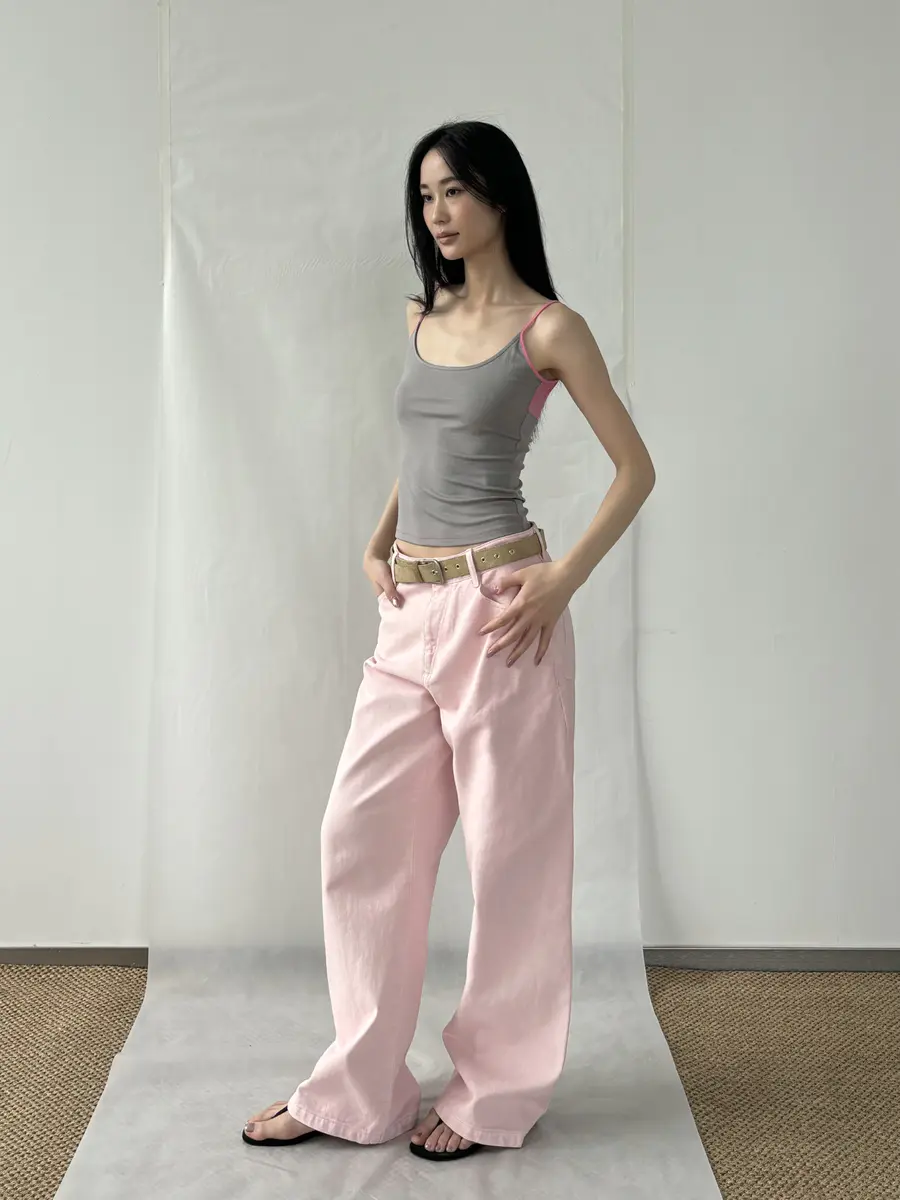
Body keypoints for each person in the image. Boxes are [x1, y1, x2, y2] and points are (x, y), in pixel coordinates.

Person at [243, 119, 655, 1162]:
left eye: (456, 190)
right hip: (410, 614)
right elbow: (421, 448)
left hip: (502, 612)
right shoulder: (423, 319)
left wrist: (561, 581)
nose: (438, 211)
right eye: (425, 194)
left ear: (500, 197)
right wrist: (377, 539)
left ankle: (494, 1094)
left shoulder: (549, 329)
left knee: (511, 861)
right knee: (358, 839)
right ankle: (359, 1089)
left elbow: (635, 469)